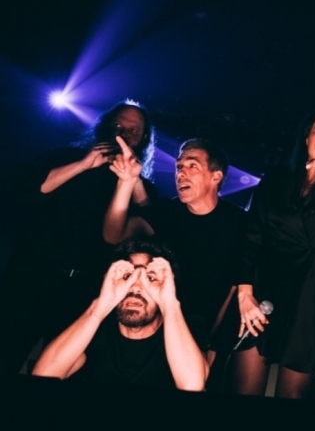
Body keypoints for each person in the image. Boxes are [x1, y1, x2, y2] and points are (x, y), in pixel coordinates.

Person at [0, 100, 156, 375]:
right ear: (105, 125)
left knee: (62, 369)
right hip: (32, 276)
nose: (122, 133)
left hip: (85, 288)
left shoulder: (140, 186)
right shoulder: (64, 155)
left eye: (133, 130)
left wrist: (134, 179)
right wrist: (82, 164)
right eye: (118, 125)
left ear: (143, 138)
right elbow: (31, 187)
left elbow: (151, 222)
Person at [232, 107, 315, 400]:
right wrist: (245, 293)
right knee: (244, 393)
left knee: (292, 400)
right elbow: (250, 237)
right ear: (306, 138)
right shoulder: (277, 178)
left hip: (309, 294)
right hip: (265, 287)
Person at [103, 137, 246, 380]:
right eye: (179, 166)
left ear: (216, 176)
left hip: (209, 334)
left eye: (192, 165)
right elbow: (114, 235)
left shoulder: (239, 223)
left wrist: (213, 343)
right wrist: (126, 183)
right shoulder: (168, 213)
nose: (180, 173)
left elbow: (235, 287)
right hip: (160, 326)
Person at [31, 238, 209, 391]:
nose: (135, 287)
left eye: (150, 278)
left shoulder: (184, 325)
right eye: (126, 276)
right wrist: (99, 308)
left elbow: (192, 385)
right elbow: (44, 375)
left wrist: (169, 305)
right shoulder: (92, 327)